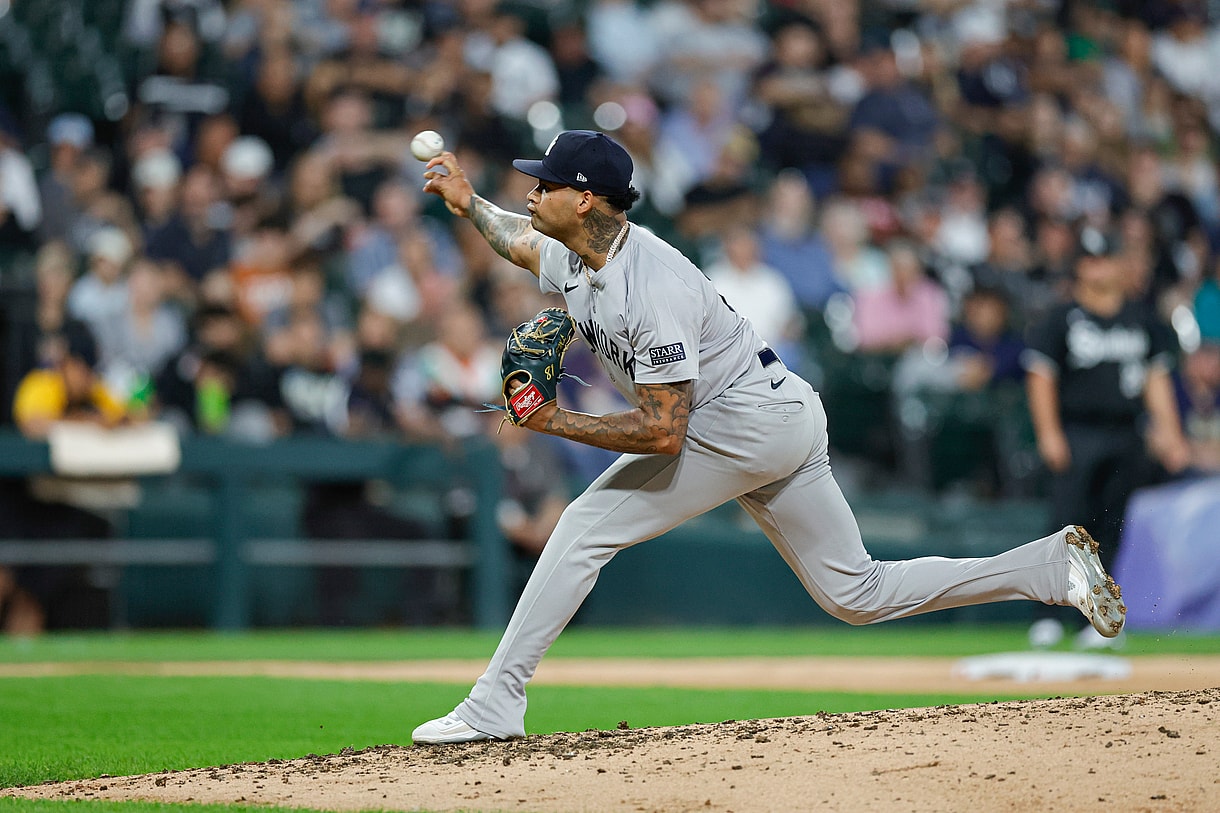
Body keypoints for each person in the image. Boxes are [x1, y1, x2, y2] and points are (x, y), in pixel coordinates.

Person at [410, 130, 1125, 744]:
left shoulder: (650, 284)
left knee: (582, 527)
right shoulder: (575, 251)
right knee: (856, 591)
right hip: (779, 415)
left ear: (586, 200)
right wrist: (469, 202)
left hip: (739, 423)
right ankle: (1047, 569)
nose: (532, 193)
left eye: (547, 185)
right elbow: (517, 240)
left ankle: (497, 700)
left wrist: (551, 420)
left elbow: (663, 432)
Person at [1023, 226, 1191, 648]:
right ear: (1079, 267)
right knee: (1065, 526)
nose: (1098, 268)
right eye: (1090, 260)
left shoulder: (1141, 320)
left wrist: (1170, 433)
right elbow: (1041, 377)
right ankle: (1047, 614)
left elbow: (1156, 380)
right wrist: (1049, 432)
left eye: (1105, 259)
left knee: (1110, 527)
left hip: (1126, 434)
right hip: (1077, 431)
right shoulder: (1061, 318)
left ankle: (1096, 619)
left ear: (1120, 264)